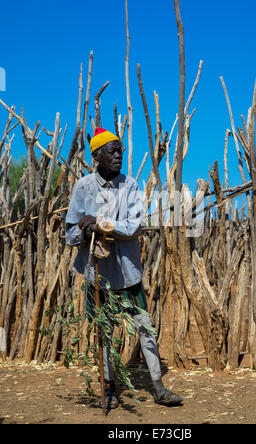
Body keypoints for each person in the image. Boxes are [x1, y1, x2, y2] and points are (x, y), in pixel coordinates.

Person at [65, 127, 183, 409]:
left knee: (144, 327)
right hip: (97, 275)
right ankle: (109, 389)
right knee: (102, 332)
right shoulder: (82, 187)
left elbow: (132, 227)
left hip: (128, 273)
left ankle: (158, 386)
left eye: (121, 150)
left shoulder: (130, 186)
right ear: (97, 156)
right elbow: (69, 234)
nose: (119, 155)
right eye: (112, 150)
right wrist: (84, 229)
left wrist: (101, 221)